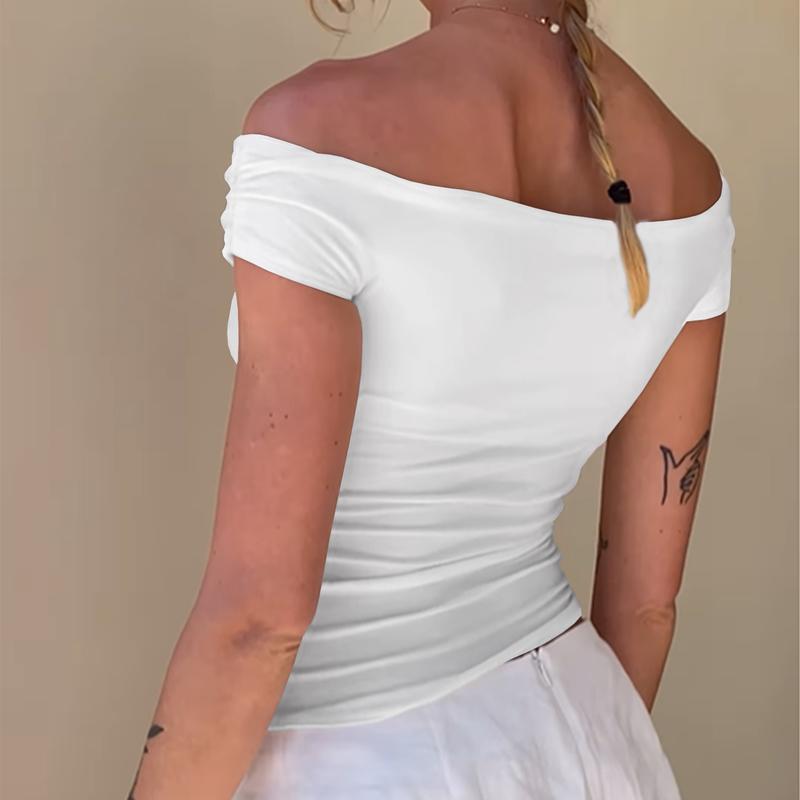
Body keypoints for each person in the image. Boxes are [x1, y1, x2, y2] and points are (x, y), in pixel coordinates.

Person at [126, 0, 735, 797]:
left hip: (360, 761)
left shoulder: (315, 132)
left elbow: (258, 621)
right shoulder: (692, 180)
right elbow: (647, 606)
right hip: (588, 733)